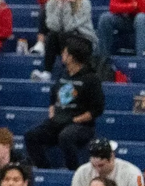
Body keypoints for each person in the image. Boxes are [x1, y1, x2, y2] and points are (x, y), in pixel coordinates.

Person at [24, 38, 106, 170]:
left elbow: (97, 109)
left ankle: (72, 171)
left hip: (81, 125)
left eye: (65, 52)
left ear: (72, 57)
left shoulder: (91, 79)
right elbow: (53, 96)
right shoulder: (63, 74)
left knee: (66, 137)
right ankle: (44, 170)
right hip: (58, 121)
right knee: (31, 136)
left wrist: (75, 119)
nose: (62, 54)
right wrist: (52, 113)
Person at [35, 0, 98, 81]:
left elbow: (69, 26)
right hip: (64, 38)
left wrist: (67, 6)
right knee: (52, 36)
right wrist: (58, 8)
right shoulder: (51, 4)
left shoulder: (84, 3)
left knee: (64, 35)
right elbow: (52, 26)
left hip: (84, 39)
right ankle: (47, 72)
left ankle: (69, 73)